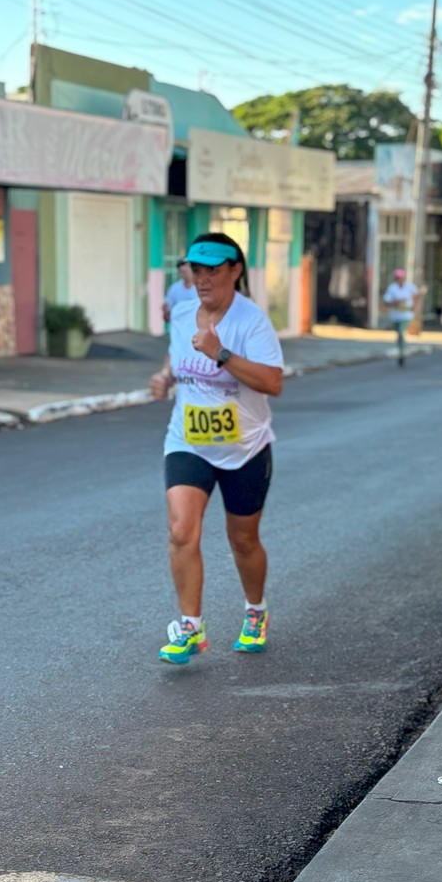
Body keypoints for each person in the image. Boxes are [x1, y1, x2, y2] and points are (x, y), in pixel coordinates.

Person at [149, 232, 284, 665]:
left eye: (213, 270)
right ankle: (191, 626)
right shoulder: (184, 313)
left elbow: (273, 383)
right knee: (181, 530)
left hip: (245, 447)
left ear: (235, 271)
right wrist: (166, 376)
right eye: (196, 270)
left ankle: (255, 611)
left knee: (243, 540)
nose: (202, 279)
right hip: (188, 441)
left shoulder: (251, 321)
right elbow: (178, 356)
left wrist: (221, 353)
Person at [383, 268, 419, 366]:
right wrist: (396, 302)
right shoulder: (392, 287)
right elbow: (387, 300)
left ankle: (402, 352)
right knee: (398, 333)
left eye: (401, 277)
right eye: (397, 277)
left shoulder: (409, 287)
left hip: (406, 314)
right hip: (396, 314)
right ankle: (401, 348)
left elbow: (417, 295)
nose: (399, 279)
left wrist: (414, 307)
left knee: (401, 332)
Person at [162, 259, 196, 328]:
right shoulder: (174, 288)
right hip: (179, 329)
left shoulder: (200, 288)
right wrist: (165, 311)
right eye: (181, 270)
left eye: (186, 268)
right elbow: (167, 316)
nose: (183, 270)